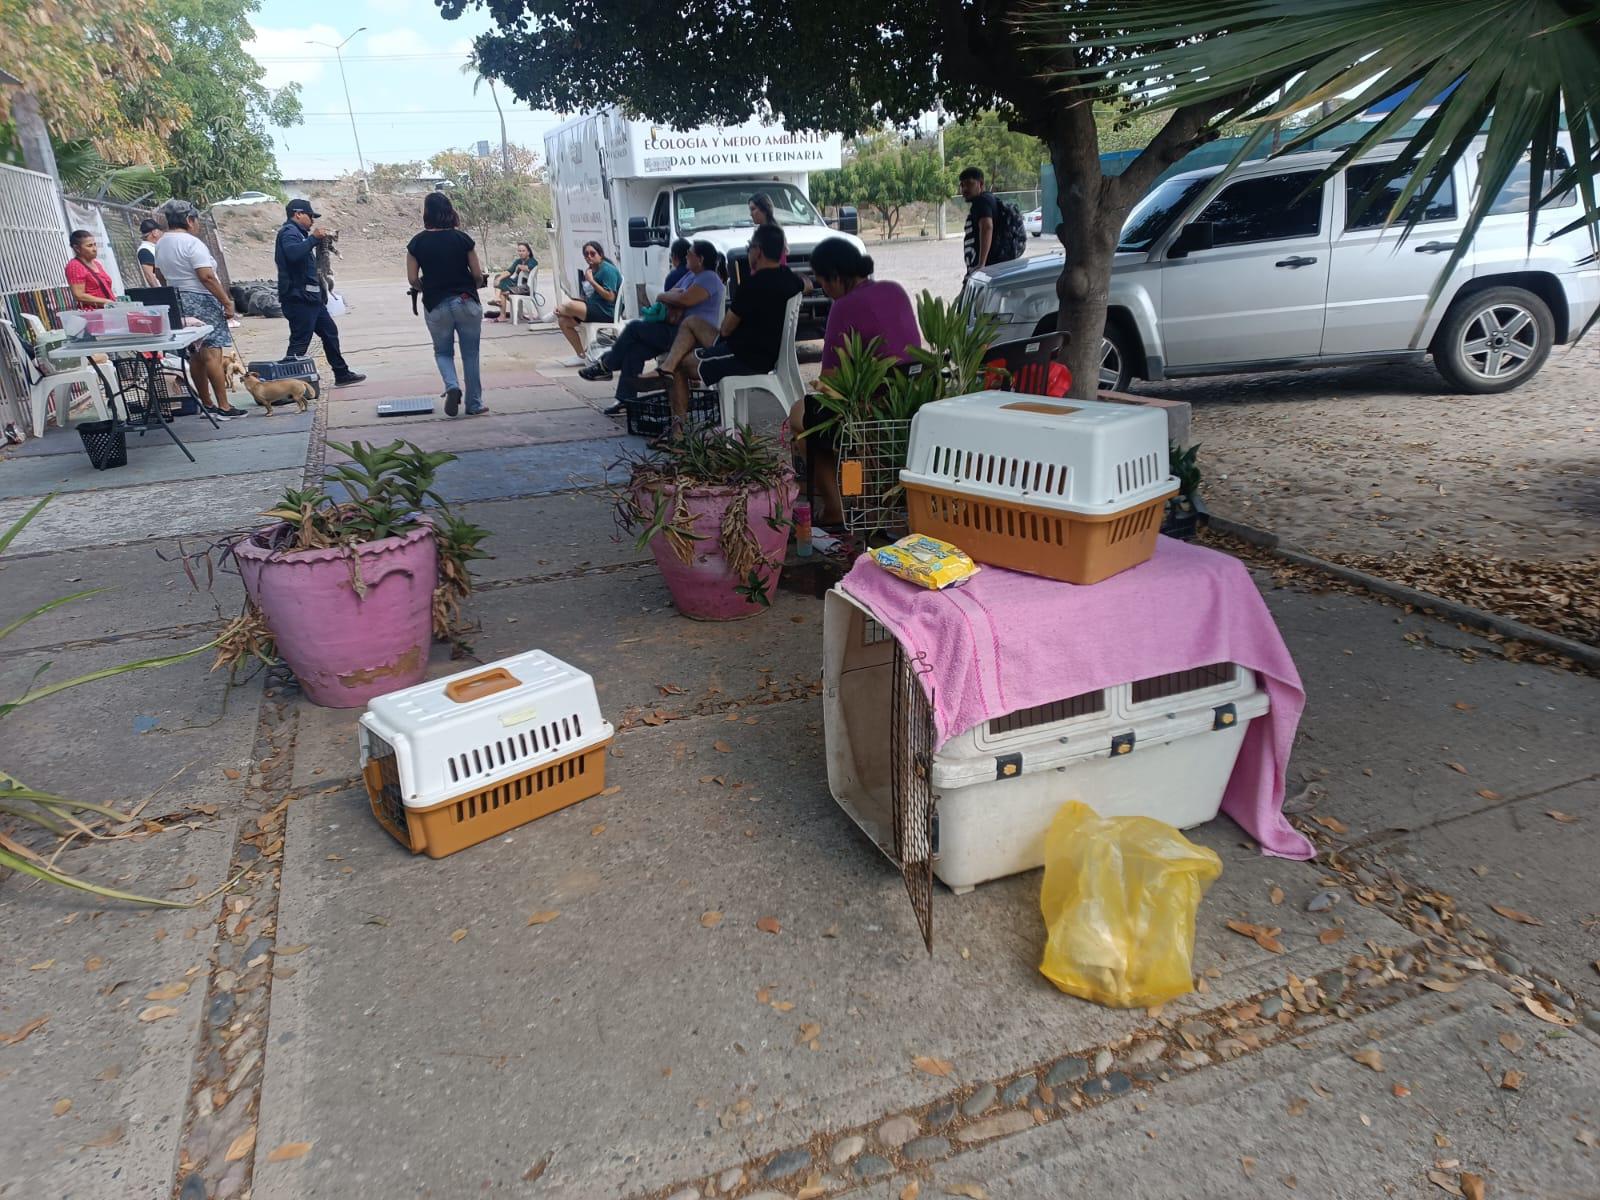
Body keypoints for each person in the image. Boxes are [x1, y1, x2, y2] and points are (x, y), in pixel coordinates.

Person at [790, 237, 920, 526]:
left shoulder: (844, 306)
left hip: (871, 410)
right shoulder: (894, 290)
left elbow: (828, 382)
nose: (824, 288)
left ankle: (837, 506)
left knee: (800, 417)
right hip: (910, 400)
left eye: (823, 281)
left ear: (836, 277)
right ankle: (855, 494)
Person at [658, 223, 802, 427]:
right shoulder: (790, 278)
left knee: (681, 367)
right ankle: (667, 365)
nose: (748, 251)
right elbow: (807, 283)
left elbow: (726, 329)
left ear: (758, 251)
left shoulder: (752, 285)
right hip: (761, 352)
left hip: (744, 357)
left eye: (749, 247)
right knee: (691, 322)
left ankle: (678, 434)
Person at [579, 239, 725, 416]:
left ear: (700, 259)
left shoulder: (709, 277)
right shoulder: (690, 276)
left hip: (689, 337)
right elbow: (670, 295)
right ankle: (625, 400)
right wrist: (668, 296)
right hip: (673, 330)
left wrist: (667, 296)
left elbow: (684, 299)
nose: (686, 256)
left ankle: (606, 365)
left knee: (633, 328)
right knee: (635, 351)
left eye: (690, 254)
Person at [154, 200, 247, 419]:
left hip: (177, 299)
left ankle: (207, 404)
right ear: (189, 220)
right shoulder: (192, 243)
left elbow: (159, 274)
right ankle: (223, 406)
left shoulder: (162, 243)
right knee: (212, 354)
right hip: (201, 299)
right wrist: (226, 301)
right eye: (196, 221)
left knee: (194, 355)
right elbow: (206, 276)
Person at [406, 192, 488, 418]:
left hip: (436, 304)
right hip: (466, 301)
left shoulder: (417, 243)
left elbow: (413, 279)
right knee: (471, 354)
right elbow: (478, 274)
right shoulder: (462, 239)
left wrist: (428, 287)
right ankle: (474, 404)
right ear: (450, 211)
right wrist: (475, 285)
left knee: (443, 352)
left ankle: (452, 385)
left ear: (427, 213)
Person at [274, 198, 365, 386]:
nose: (312, 221)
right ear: (297, 214)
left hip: (311, 298)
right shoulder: (289, 233)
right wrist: (313, 238)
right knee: (300, 342)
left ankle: (341, 373)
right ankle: (286, 384)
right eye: (310, 216)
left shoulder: (299, 234)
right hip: (298, 299)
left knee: (330, 332)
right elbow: (293, 254)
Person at [552, 241, 621, 366]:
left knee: (569, 305)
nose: (589, 256)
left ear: (600, 254)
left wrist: (592, 281)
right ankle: (581, 355)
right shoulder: (592, 270)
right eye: (586, 254)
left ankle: (555, 312)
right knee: (563, 321)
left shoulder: (607, 270)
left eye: (592, 253)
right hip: (593, 307)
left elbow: (610, 297)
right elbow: (587, 294)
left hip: (606, 311)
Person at [960, 166, 1003, 276]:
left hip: (987, 268)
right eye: (962, 185)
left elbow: (987, 227)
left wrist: (981, 264)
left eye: (969, 184)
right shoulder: (989, 198)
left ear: (981, 184)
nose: (964, 189)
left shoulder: (981, 201)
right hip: (994, 266)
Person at [65, 230, 117, 310]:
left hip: (108, 310)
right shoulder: (75, 266)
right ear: (77, 248)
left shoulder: (96, 264)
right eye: (89, 246)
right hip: (94, 313)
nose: (94, 249)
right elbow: (79, 295)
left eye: (95, 245)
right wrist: (106, 302)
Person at [488, 241, 537, 323]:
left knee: (502, 290)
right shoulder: (518, 261)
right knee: (499, 278)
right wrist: (498, 279)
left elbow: (528, 268)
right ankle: (497, 300)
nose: (521, 253)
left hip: (524, 288)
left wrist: (520, 267)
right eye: (519, 251)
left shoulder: (533, 261)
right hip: (515, 284)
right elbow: (509, 272)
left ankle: (500, 308)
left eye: (523, 251)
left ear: (528, 252)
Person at [136, 218, 164, 287]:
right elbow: (149, 275)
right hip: (162, 290)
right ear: (154, 232)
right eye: (160, 231)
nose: (162, 233)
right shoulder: (144, 250)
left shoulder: (154, 247)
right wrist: (161, 293)